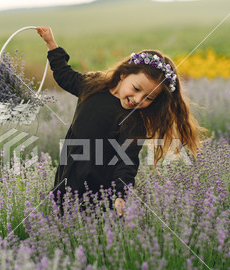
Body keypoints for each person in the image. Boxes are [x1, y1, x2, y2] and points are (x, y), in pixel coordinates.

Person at [37, 26, 206, 217]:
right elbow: (64, 75)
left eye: (148, 98)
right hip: (69, 171)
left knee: (92, 229)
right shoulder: (92, 86)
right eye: (136, 88)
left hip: (99, 187)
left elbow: (127, 162)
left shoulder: (135, 121)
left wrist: (120, 195)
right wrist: (51, 43)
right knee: (61, 216)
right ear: (123, 74)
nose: (138, 99)